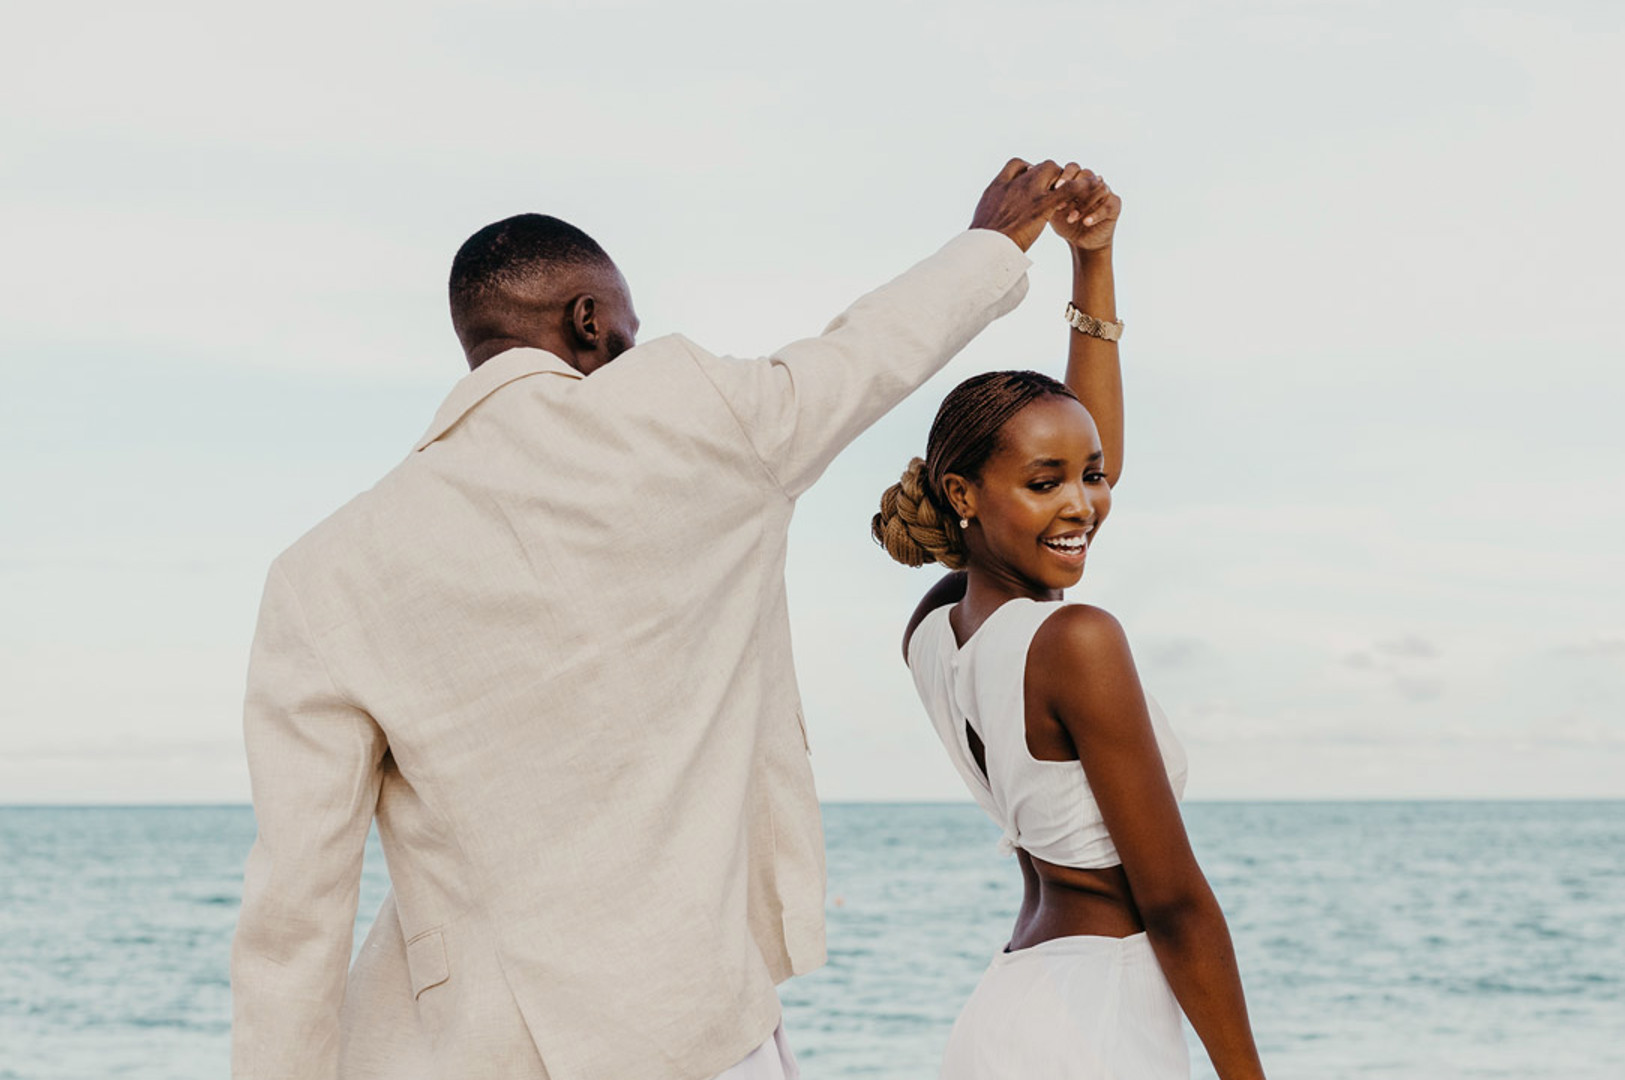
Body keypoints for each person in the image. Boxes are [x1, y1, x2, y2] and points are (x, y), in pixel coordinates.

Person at [230, 158, 1105, 1080]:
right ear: (590, 321)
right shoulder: (696, 419)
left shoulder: (321, 573)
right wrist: (991, 243)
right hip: (701, 1024)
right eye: (627, 334)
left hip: (474, 1050)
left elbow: (294, 914)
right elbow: (867, 351)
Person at [871, 181, 1268, 1080]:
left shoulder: (935, 630)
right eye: (1046, 481)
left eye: (1089, 477)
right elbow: (1173, 903)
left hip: (1013, 1010)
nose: (1085, 502)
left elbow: (1076, 478)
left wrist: (1094, 265)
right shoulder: (1074, 642)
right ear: (966, 496)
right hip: (1102, 1018)